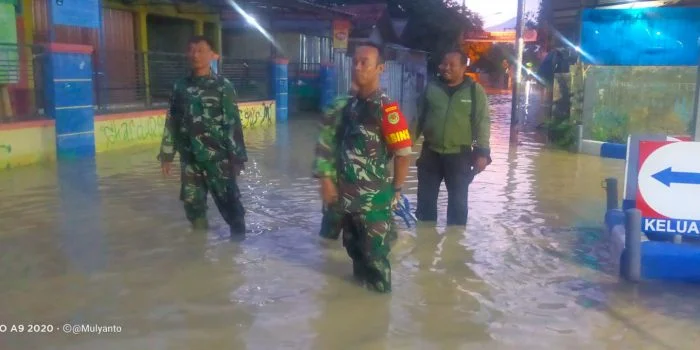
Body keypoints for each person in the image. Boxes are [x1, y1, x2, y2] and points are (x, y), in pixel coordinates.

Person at [312, 42, 412, 293]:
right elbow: (332, 144)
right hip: (348, 201)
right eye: (355, 61)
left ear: (380, 68)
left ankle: (380, 322)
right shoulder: (350, 106)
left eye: (364, 62)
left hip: (373, 204)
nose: (357, 67)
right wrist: (326, 179)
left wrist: (397, 190)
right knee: (355, 257)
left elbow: (403, 154)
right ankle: (359, 317)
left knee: (376, 263)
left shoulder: (386, 109)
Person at [158, 36, 248, 236]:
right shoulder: (180, 87)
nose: (195, 55)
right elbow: (172, 120)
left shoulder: (223, 86)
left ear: (212, 55)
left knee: (231, 206)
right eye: (191, 50)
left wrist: (237, 159)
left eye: (200, 50)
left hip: (219, 160)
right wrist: (166, 154)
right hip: (190, 159)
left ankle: (237, 251)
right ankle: (200, 250)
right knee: (193, 205)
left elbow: (233, 124)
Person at [413, 49, 491, 226]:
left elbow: (483, 122)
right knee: (424, 206)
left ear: (464, 67)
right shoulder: (431, 88)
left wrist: (482, 153)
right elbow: (418, 119)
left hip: (459, 156)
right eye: (443, 64)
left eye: (452, 65)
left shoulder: (474, 91)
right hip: (430, 154)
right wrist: (402, 147)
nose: (446, 68)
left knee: (458, 207)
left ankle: (455, 244)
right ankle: (425, 245)